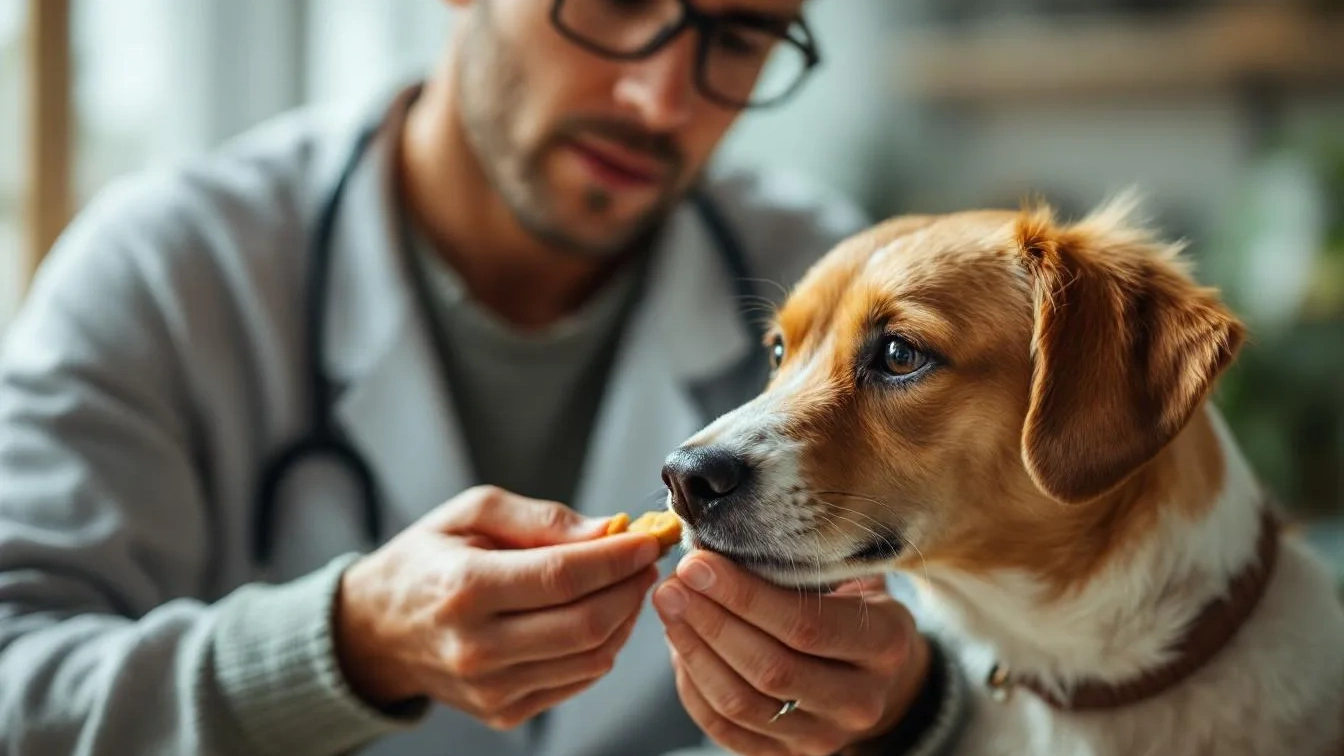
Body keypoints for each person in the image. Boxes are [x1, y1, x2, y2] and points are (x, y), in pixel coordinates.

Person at [0, 1, 967, 754]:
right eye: (617, 4)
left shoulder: (835, 291)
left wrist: (901, 705)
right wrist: (345, 647)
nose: (663, 98)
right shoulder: (166, 272)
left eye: (742, 33)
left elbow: (998, 662)